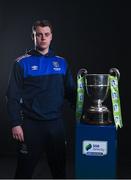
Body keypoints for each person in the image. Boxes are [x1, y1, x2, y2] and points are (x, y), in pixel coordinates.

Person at [6, 19, 76, 179]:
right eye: (39, 35)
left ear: (51, 36)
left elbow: (71, 92)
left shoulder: (62, 62)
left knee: (59, 172)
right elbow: (12, 96)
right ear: (33, 37)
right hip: (31, 126)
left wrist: (83, 110)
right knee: (24, 172)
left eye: (46, 34)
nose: (43, 38)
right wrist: (16, 123)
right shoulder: (21, 63)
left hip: (55, 125)